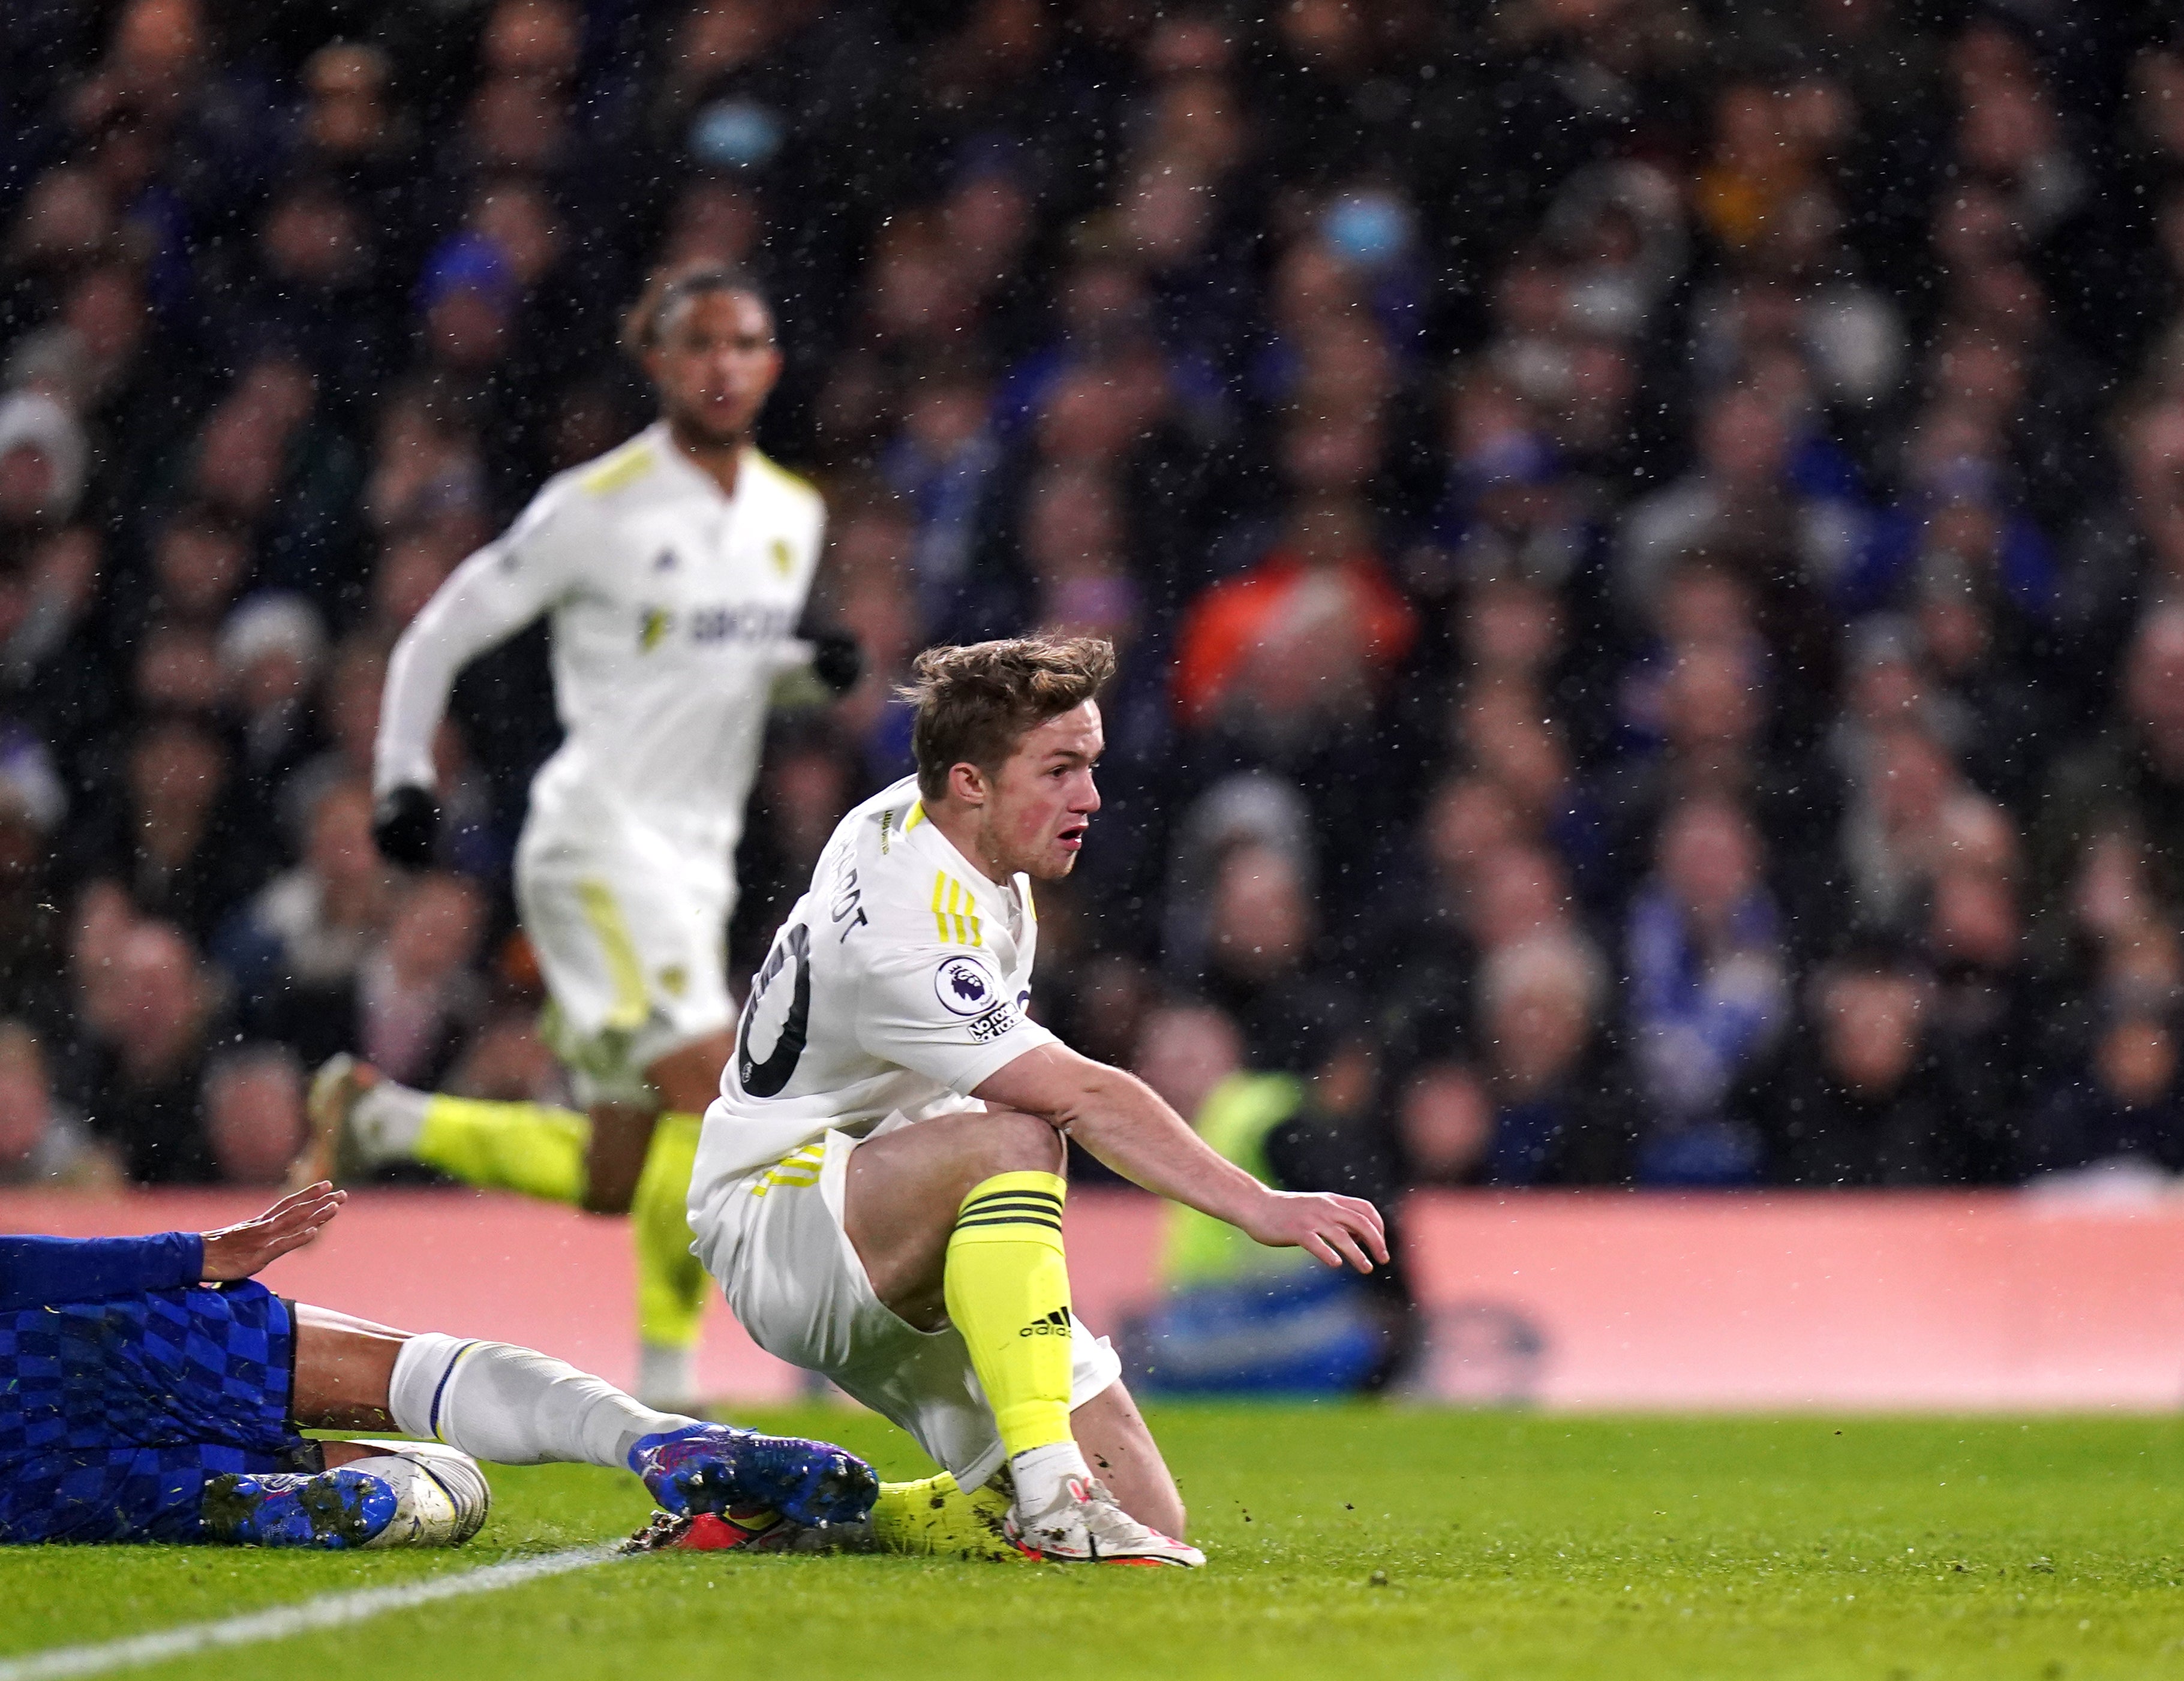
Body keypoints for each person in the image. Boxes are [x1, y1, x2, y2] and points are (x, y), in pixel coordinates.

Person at [687, 635, 1388, 1566]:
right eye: (1060, 769)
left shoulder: (923, 820)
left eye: (1091, 765)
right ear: (972, 781)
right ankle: (1054, 1494)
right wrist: (1256, 1202)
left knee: (1148, 1509)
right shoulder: (911, 932)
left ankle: (804, 1506)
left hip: (901, 1203)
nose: (1090, 797)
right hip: (788, 1209)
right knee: (1020, 1135)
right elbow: (1086, 1098)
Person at [296, 265, 852, 1411]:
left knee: (616, 1171)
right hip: (599, 846)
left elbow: (715, 678)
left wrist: (807, 676)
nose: (722, 364)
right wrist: (401, 775)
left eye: (745, 342)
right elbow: (438, 631)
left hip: (692, 868)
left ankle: (384, 1115)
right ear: (658, 361)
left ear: (773, 363)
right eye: (699, 344)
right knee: (723, 1092)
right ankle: (707, 1377)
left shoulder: (794, 516)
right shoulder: (594, 506)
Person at [3, 1182, 876, 1548]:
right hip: (64, 1337)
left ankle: (279, 1498)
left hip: (29, 1485)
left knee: (222, 1487)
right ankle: (656, 1438)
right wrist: (194, 1250)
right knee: (418, 1383)